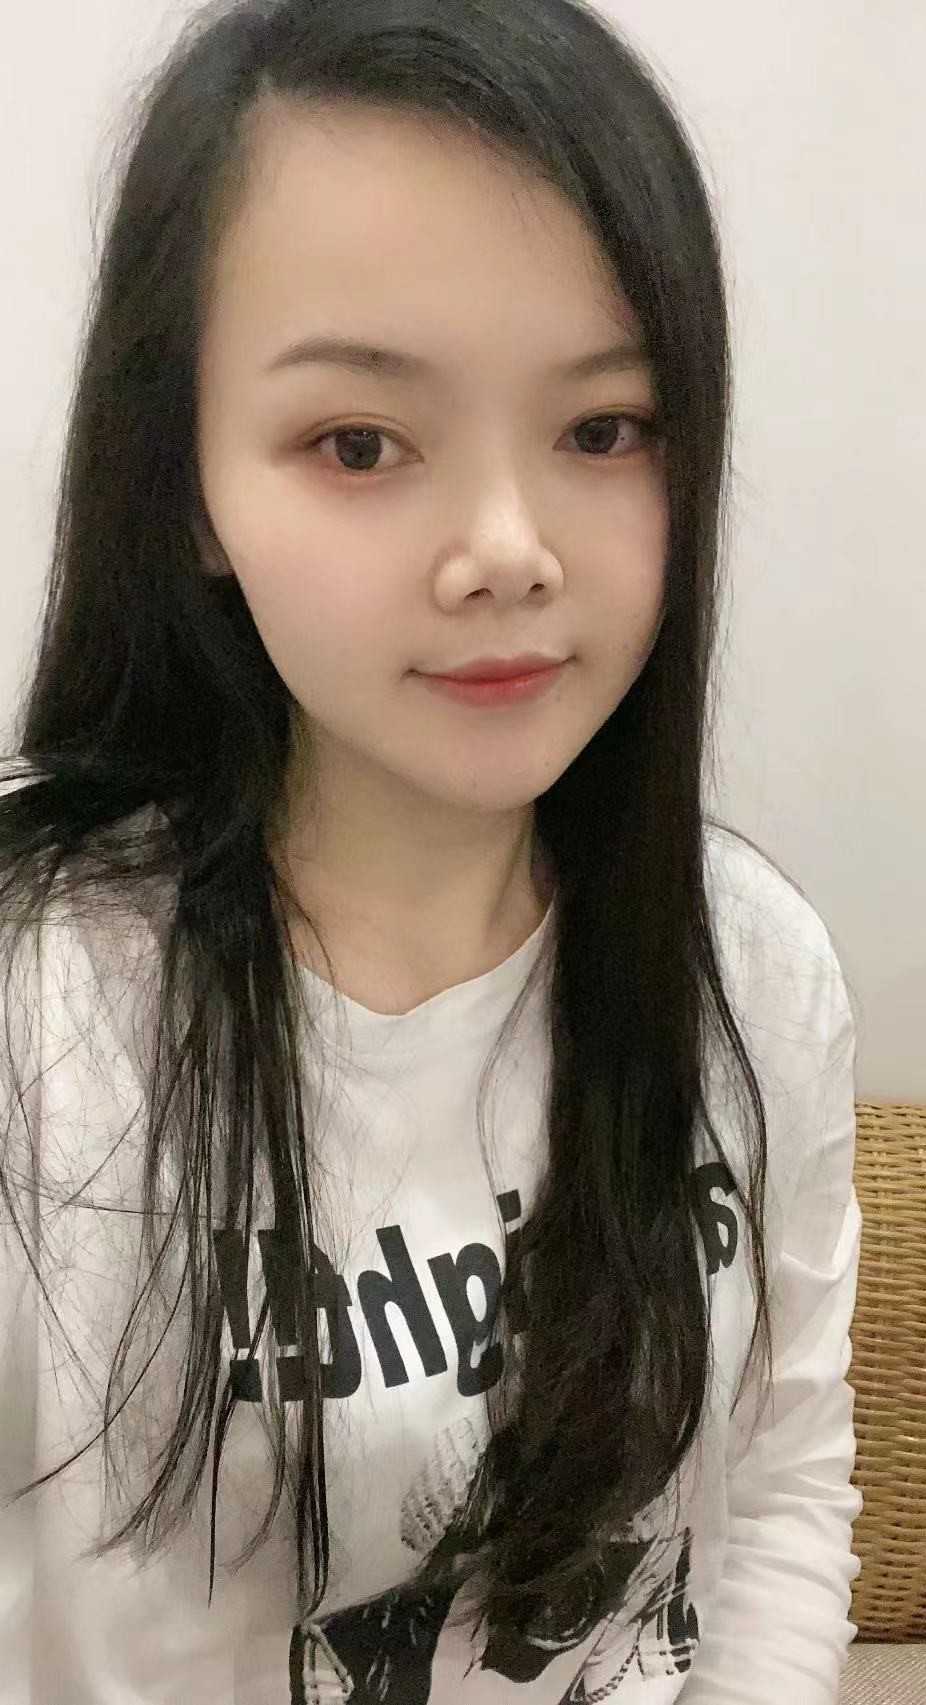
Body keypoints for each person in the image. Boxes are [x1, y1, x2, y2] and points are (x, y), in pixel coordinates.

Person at [0, 0, 864, 1700]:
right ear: (186, 485)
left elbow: (775, 1477)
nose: (506, 548)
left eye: (604, 429)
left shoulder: (756, 968)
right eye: (360, 444)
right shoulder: (43, 1016)